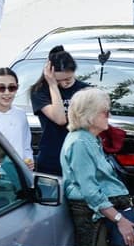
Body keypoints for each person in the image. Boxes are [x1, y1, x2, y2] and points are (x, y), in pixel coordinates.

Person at [60, 88, 134, 246]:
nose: (109, 116)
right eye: (105, 112)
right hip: (93, 216)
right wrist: (119, 219)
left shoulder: (91, 138)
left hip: (103, 212)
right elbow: (90, 190)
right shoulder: (80, 143)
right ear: (90, 115)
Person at [29, 46, 89, 176]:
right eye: (58, 80)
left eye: (68, 79)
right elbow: (60, 119)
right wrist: (52, 85)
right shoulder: (40, 91)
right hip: (51, 157)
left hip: (78, 157)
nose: (64, 84)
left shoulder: (85, 91)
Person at [0, 68, 33, 169]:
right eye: (1, 88)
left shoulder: (20, 114)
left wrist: (28, 161)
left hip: (20, 176)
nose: (7, 93)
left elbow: (26, 147)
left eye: (12, 88)